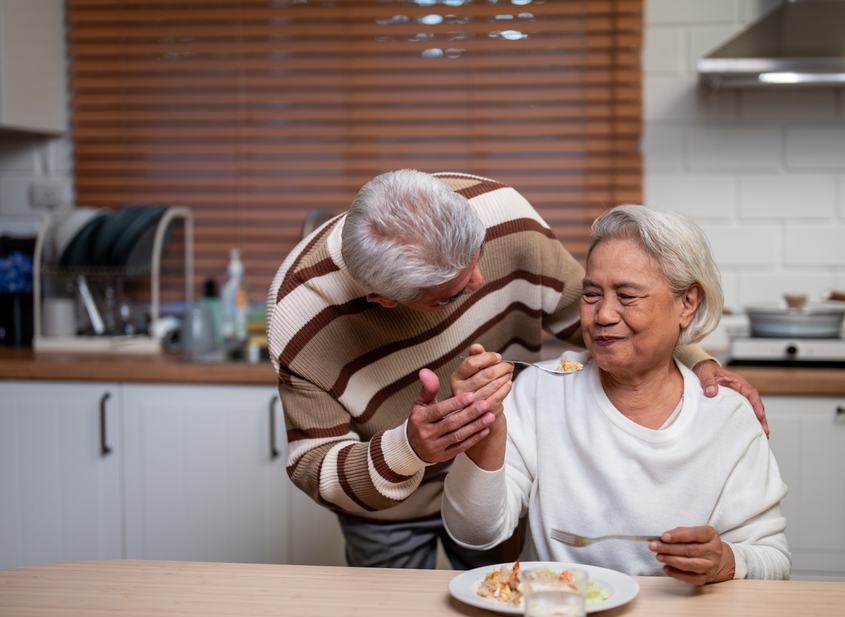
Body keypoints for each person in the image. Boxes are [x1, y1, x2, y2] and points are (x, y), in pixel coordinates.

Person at [266, 170, 771, 570]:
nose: (481, 283)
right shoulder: (298, 318)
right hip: (390, 502)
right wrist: (410, 449)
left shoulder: (502, 216)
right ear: (385, 300)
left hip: (503, 474)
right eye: (453, 294)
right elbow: (313, 466)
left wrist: (697, 359)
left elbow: (599, 314)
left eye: (479, 257)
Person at [442, 204, 789, 581]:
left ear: (687, 304)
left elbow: (774, 560)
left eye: (626, 296)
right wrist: (487, 428)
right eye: (592, 294)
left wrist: (728, 561)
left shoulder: (728, 417)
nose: (603, 315)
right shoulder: (539, 391)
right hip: (559, 609)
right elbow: (475, 533)